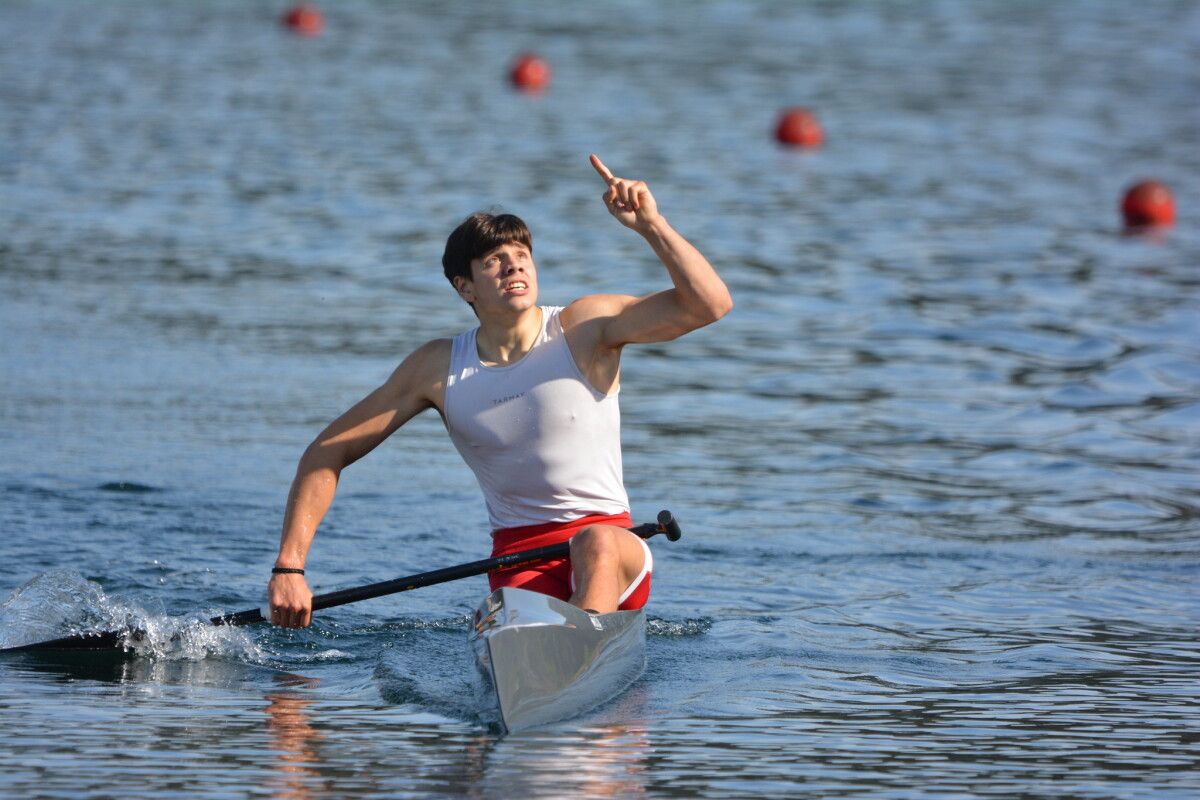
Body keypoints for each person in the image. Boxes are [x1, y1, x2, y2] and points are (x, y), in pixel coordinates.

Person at [267, 155, 732, 628]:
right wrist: (289, 567)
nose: (514, 265)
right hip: (517, 560)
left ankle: (579, 643)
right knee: (492, 620)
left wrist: (652, 225)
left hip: (613, 547)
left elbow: (710, 305)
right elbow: (325, 452)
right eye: (495, 261)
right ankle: (540, 649)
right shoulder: (436, 368)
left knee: (597, 542)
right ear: (464, 287)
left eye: (521, 256)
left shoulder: (585, 328)